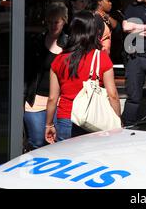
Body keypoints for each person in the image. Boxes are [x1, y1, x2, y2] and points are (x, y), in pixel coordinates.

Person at [45, 10, 121, 143]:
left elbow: (52, 98)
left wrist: (49, 124)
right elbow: (113, 94)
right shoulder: (101, 58)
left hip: (66, 117)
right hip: (94, 119)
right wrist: (117, 120)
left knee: (68, 159)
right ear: (94, 31)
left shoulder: (59, 60)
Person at [24, 2, 68, 150]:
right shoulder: (37, 41)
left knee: (56, 144)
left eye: (56, 22)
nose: (52, 26)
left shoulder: (69, 44)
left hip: (59, 101)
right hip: (35, 100)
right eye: (49, 22)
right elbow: (27, 71)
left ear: (64, 21)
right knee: (36, 141)